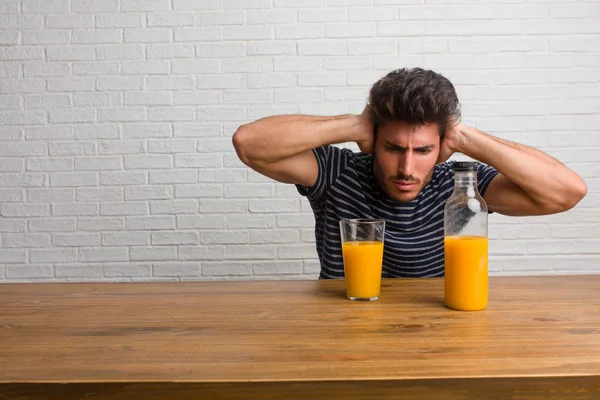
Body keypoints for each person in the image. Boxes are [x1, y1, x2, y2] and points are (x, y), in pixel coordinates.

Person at [232, 67, 587, 279]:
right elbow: (249, 143)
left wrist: (465, 137)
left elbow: (567, 192)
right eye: (393, 148)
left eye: (423, 150)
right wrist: (355, 123)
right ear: (373, 140)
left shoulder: (462, 190)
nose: (406, 168)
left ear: (441, 145)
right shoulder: (337, 173)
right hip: (340, 330)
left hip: (435, 336)